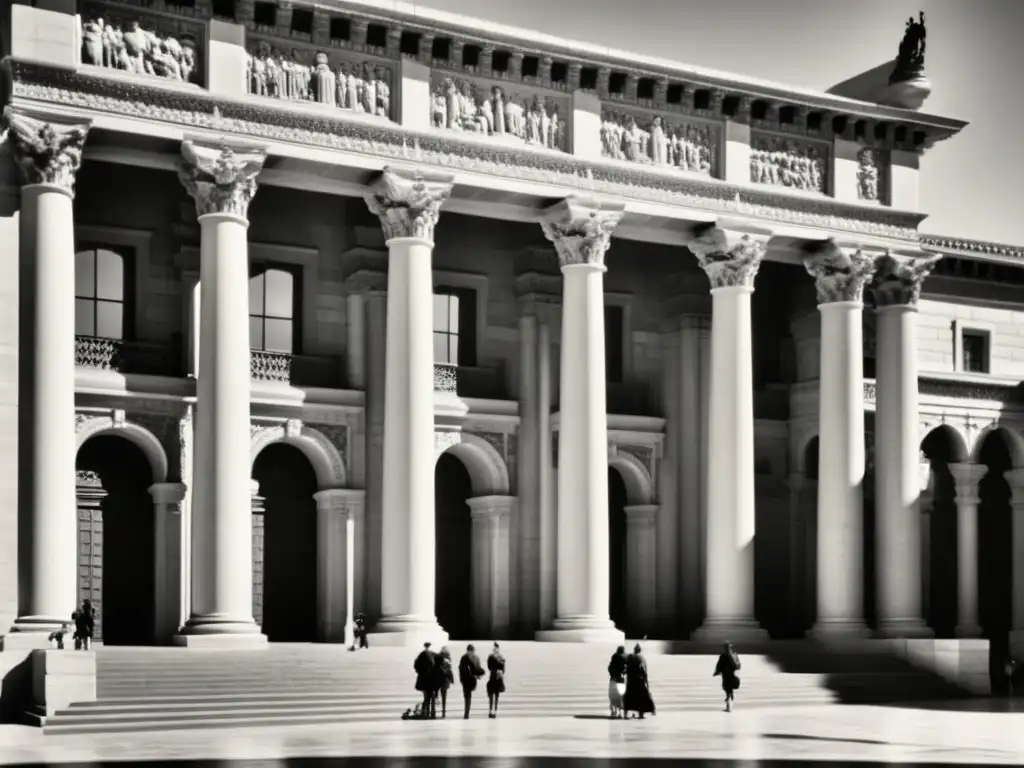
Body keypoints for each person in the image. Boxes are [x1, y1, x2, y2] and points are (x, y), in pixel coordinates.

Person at [623, 643, 656, 719]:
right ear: (640, 650)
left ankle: (626, 713)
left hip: (631, 680)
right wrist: (646, 682)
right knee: (641, 698)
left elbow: (626, 668)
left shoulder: (630, 657)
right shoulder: (642, 658)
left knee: (629, 696)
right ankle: (641, 714)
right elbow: (644, 671)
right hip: (639, 681)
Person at [459, 643, 486, 719]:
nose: (471, 653)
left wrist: (479, 674)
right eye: (470, 651)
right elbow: (461, 669)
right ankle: (466, 714)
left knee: (468, 695)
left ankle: (466, 713)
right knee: (467, 695)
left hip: (471, 679)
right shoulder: (464, 658)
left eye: (472, 651)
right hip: (466, 679)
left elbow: (477, 668)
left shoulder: (474, 657)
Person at [713, 641, 742, 712]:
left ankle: (728, 705)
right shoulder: (734, 655)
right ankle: (729, 704)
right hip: (732, 674)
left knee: (727, 689)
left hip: (726, 675)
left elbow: (719, 665)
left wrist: (717, 672)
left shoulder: (723, 656)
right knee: (729, 690)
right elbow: (738, 665)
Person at [413, 641, 438, 718]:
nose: (427, 648)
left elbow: (416, 665)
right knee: (428, 696)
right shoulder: (428, 654)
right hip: (426, 679)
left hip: (428, 679)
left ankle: (428, 713)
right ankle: (427, 713)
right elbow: (416, 665)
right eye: (427, 647)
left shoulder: (426, 654)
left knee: (429, 697)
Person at [432, 646, 455, 718]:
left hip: (440, 679)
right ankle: (442, 712)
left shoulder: (439, 657)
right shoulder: (447, 658)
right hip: (443, 679)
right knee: (443, 696)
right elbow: (449, 669)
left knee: (437, 695)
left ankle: (435, 711)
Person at [607, 645, 628, 719]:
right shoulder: (624, 658)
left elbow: (609, 668)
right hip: (620, 679)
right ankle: (620, 712)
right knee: (620, 696)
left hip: (613, 679)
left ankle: (613, 712)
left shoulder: (614, 657)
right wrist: (623, 673)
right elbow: (626, 668)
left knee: (613, 696)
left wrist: (612, 674)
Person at [486, 642, 506, 719]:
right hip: (492, 677)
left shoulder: (502, 658)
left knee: (496, 696)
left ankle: (494, 711)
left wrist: (500, 671)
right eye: (494, 648)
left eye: (496, 648)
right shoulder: (491, 657)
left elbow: (503, 670)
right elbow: (489, 667)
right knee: (491, 696)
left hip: (497, 678)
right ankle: (490, 710)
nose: (495, 650)